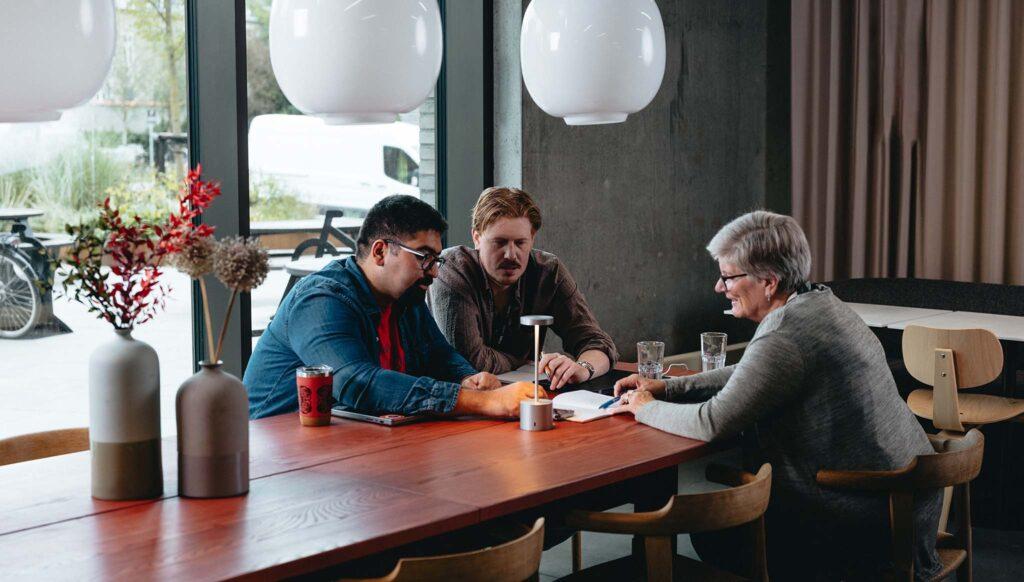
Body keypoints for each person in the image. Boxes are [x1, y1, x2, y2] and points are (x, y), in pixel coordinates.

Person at [613, 210, 941, 580]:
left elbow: (712, 422)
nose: (719, 288)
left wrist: (645, 407)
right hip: (905, 505)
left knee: (713, 533)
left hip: (864, 523)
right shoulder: (821, 302)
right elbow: (755, 370)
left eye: (727, 277)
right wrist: (670, 386)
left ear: (768, 282)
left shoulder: (785, 333)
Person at [244, 195, 542, 420]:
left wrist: (468, 378)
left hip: (354, 448)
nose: (435, 272)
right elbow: (356, 383)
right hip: (278, 462)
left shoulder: (405, 298)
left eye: (436, 260)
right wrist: (483, 402)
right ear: (380, 251)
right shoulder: (322, 300)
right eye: (423, 257)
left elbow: (440, 355)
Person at [429, 187, 617, 389]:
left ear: (532, 238)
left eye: (520, 243)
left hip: (523, 398)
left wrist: (582, 367)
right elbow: (469, 362)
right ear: (476, 238)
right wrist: (519, 360)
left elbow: (598, 343)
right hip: (453, 401)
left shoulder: (548, 272)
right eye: (499, 242)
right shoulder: (451, 270)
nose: (511, 254)